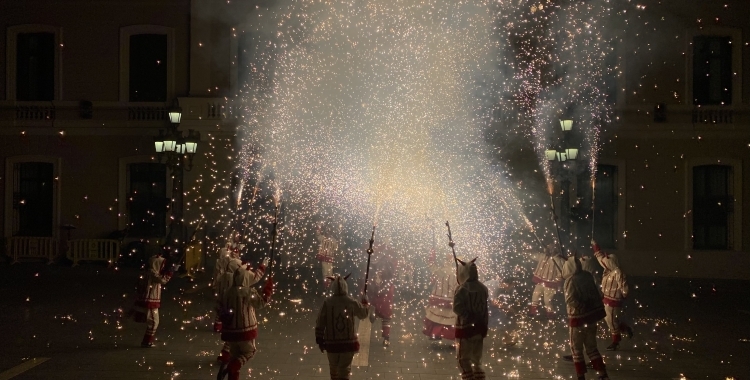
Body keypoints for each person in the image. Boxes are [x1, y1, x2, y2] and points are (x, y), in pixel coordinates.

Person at [216, 262, 274, 380]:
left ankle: (232, 376)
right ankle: (233, 366)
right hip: (245, 330)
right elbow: (261, 303)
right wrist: (268, 289)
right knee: (249, 352)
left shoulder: (227, 292)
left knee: (234, 355)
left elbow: (220, 308)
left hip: (230, 332)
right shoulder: (248, 292)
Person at [562, 256, 610, 380]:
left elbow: (570, 300)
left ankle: (580, 376)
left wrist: (580, 307)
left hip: (578, 319)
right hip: (591, 318)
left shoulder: (570, 281)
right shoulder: (587, 276)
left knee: (576, 349)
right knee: (592, 347)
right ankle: (602, 374)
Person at [315, 274, 370, 380]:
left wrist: (319, 339)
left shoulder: (328, 302)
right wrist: (365, 304)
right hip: (348, 345)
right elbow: (363, 314)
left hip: (331, 344)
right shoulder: (351, 302)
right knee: (344, 370)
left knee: (333, 369)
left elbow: (320, 322)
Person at [129, 252, 175, 348]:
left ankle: (147, 341)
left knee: (152, 321)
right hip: (150, 299)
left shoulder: (149, 271)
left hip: (148, 299)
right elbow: (163, 280)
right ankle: (147, 342)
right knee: (154, 322)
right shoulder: (152, 273)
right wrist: (170, 272)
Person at [593, 241, 633, 350]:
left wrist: (624, 294)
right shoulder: (608, 271)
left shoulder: (618, 272)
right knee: (610, 320)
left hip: (614, 301)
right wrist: (596, 247)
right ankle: (625, 329)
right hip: (607, 299)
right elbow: (600, 259)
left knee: (612, 321)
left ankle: (616, 342)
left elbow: (624, 286)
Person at [453, 258, 489, 380]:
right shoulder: (483, 288)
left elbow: (457, 308)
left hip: (465, 328)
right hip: (479, 328)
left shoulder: (462, 289)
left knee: (463, 359)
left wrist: (468, 317)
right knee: (476, 359)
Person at [423, 249, 457, 341]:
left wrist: (431, 254)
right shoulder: (454, 273)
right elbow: (456, 287)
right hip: (449, 298)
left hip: (438, 297)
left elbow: (430, 265)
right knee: (449, 320)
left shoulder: (439, 271)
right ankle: (445, 336)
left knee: (437, 318)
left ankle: (436, 334)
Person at [212, 235, 244, 332]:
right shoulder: (227, 259)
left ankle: (223, 323)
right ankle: (221, 323)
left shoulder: (226, 259)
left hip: (224, 282)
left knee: (224, 303)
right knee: (225, 303)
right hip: (226, 282)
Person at [367, 247, 396, 346]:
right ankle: (386, 337)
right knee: (385, 315)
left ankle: (386, 337)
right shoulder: (376, 264)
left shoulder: (385, 264)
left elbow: (390, 278)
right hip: (381, 292)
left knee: (386, 315)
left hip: (384, 293)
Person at [528, 244, 565, 319]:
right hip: (540, 281)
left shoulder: (559, 260)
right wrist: (529, 250)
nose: (547, 250)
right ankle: (532, 312)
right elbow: (534, 255)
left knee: (547, 301)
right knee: (535, 296)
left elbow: (561, 273)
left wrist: (558, 283)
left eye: (550, 249)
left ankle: (551, 315)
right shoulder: (543, 256)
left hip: (550, 283)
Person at [488, 275, 521, 347]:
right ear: (507, 283)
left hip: (485, 303)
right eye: (511, 286)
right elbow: (494, 303)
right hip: (481, 304)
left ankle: (506, 337)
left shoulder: (497, 285)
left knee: (501, 315)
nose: (511, 288)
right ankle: (506, 338)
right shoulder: (494, 286)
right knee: (500, 316)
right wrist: (507, 308)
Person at [315, 224, 340, 289]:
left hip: (329, 258)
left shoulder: (332, 240)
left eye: (328, 232)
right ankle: (326, 286)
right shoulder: (323, 238)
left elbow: (336, 248)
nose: (327, 233)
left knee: (329, 272)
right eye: (327, 232)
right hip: (324, 258)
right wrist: (318, 229)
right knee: (325, 272)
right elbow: (318, 236)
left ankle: (329, 286)